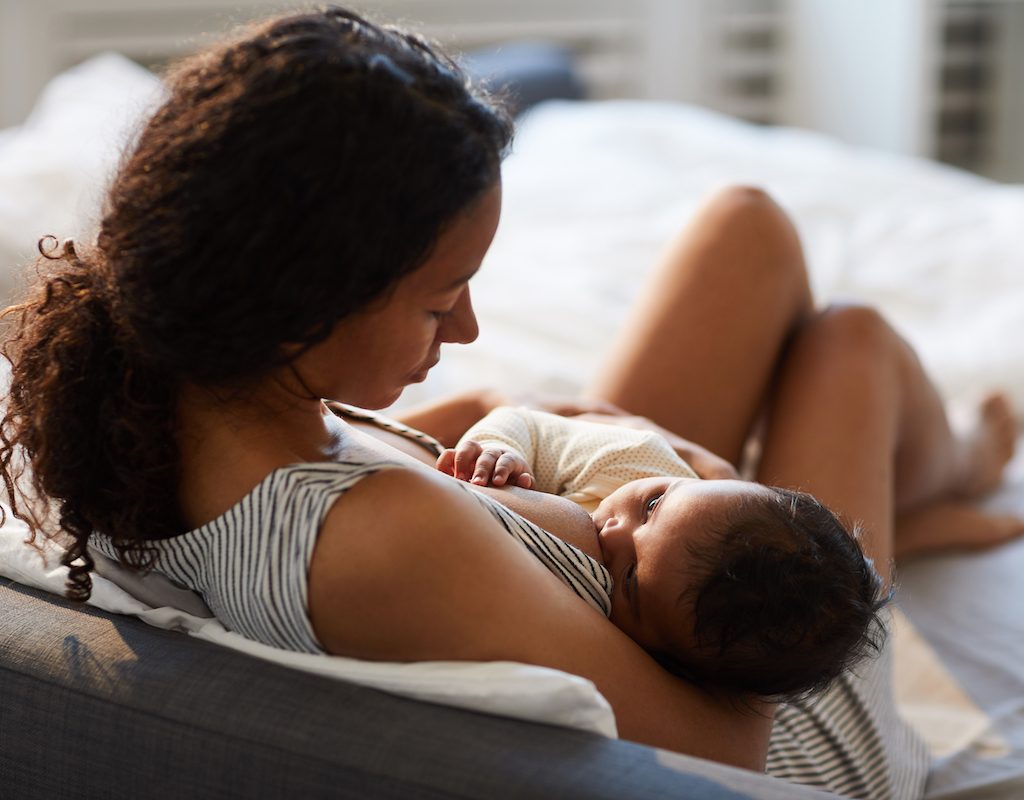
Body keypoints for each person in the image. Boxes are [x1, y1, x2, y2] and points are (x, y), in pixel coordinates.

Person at [0, 6, 1020, 798]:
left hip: (605, 553)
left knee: (745, 229)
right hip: (792, 699)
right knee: (851, 343)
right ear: (302, 304)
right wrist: (690, 474)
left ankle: (924, 490)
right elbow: (732, 750)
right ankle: (954, 468)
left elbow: (425, 446)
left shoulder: (159, 387)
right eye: (441, 298)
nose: (468, 327)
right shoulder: (383, 541)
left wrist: (503, 432)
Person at [437, 405, 888, 702]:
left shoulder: (640, 658)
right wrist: (503, 448)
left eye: (631, 577)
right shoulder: (638, 461)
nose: (613, 531)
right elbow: (528, 422)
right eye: (651, 506)